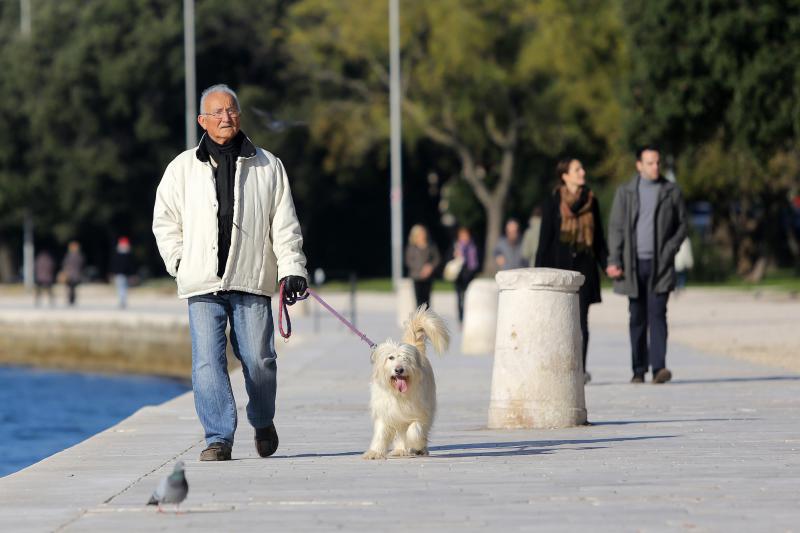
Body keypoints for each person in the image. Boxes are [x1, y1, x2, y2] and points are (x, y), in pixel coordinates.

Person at [153, 84, 308, 462]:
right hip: (202, 282)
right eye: (217, 112)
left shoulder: (268, 165)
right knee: (207, 361)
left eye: (232, 110)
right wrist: (178, 263)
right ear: (202, 121)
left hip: (251, 279)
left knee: (260, 360)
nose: (226, 117)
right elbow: (165, 221)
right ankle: (218, 437)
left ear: (239, 115)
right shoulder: (181, 168)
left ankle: (262, 418)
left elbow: (284, 224)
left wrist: (292, 269)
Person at [606, 145, 688, 384]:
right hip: (633, 264)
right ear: (639, 165)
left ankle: (659, 368)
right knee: (637, 317)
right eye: (650, 163)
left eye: (658, 162)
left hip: (660, 264)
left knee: (658, 314)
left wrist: (671, 248)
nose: (656, 167)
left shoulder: (671, 191)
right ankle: (638, 369)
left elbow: (682, 225)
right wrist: (614, 259)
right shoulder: (626, 192)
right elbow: (616, 228)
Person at [535, 158, 608, 384]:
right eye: (577, 169)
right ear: (565, 175)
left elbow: (598, 238)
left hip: (584, 267)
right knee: (559, 321)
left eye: (582, 168)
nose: (582, 172)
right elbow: (545, 239)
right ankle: (560, 365)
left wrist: (608, 264)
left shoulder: (591, 200)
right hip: (559, 267)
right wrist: (539, 273)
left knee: (582, 321)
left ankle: (580, 369)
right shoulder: (553, 201)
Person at [405, 224, 440, 308]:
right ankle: (419, 318)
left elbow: (437, 258)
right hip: (417, 276)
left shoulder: (431, 246)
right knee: (418, 299)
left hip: (428, 276)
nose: (422, 235)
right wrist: (421, 269)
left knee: (427, 300)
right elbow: (409, 261)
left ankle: (426, 318)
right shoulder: (411, 247)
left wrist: (430, 267)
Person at [452, 226, 480, 323]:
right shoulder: (456, 246)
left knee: (469, 297)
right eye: (462, 235)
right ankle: (461, 318)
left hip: (469, 275)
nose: (464, 237)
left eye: (465, 235)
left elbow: (475, 263)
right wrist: (455, 255)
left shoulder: (473, 247)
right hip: (459, 277)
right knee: (460, 298)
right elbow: (449, 260)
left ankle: (469, 316)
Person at [109, 236, 136, 309]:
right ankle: (123, 301)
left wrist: (112, 273)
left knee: (120, 288)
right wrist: (132, 274)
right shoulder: (128, 254)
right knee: (123, 288)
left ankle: (122, 302)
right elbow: (131, 266)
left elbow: (114, 265)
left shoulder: (117, 254)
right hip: (124, 274)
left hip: (120, 274)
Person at [61, 241, 84, 306]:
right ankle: (72, 300)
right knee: (72, 288)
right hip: (75, 274)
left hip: (70, 274)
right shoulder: (79, 256)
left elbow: (65, 264)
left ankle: (71, 300)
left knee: (70, 288)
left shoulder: (69, 256)